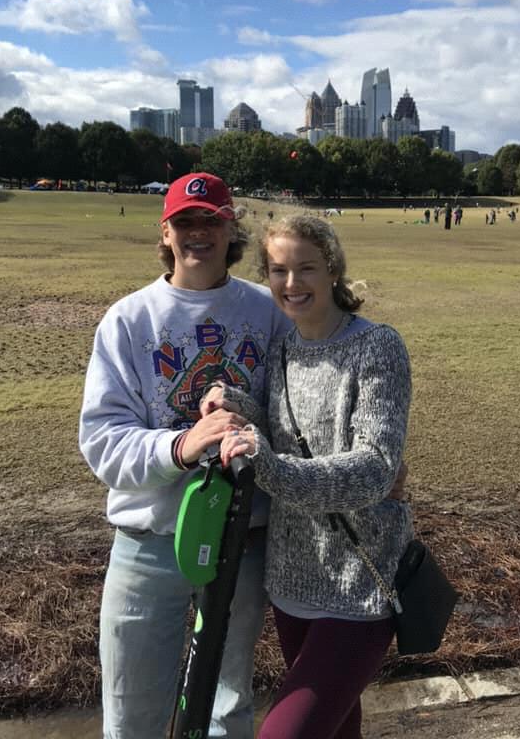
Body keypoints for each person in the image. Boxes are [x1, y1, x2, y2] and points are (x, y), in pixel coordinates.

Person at [79, 172, 290, 739]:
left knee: (227, 708)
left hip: (240, 542)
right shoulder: (129, 319)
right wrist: (181, 445)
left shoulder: (269, 311)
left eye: (211, 220)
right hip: (149, 543)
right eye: (185, 221)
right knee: (132, 714)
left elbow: (298, 412)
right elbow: (102, 440)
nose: (199, 232)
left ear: (230, 230)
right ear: (165, 232)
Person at [206, 215, 413, 739]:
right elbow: (281, 431)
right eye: (279, 270)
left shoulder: (378, 346)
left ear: (333, 270)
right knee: (338, 729)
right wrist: (234, 402)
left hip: (359, 583)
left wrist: (271, 469)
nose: (292, 283)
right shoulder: (283, 346)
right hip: (291, 579)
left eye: (307, 268)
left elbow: (376, 469)